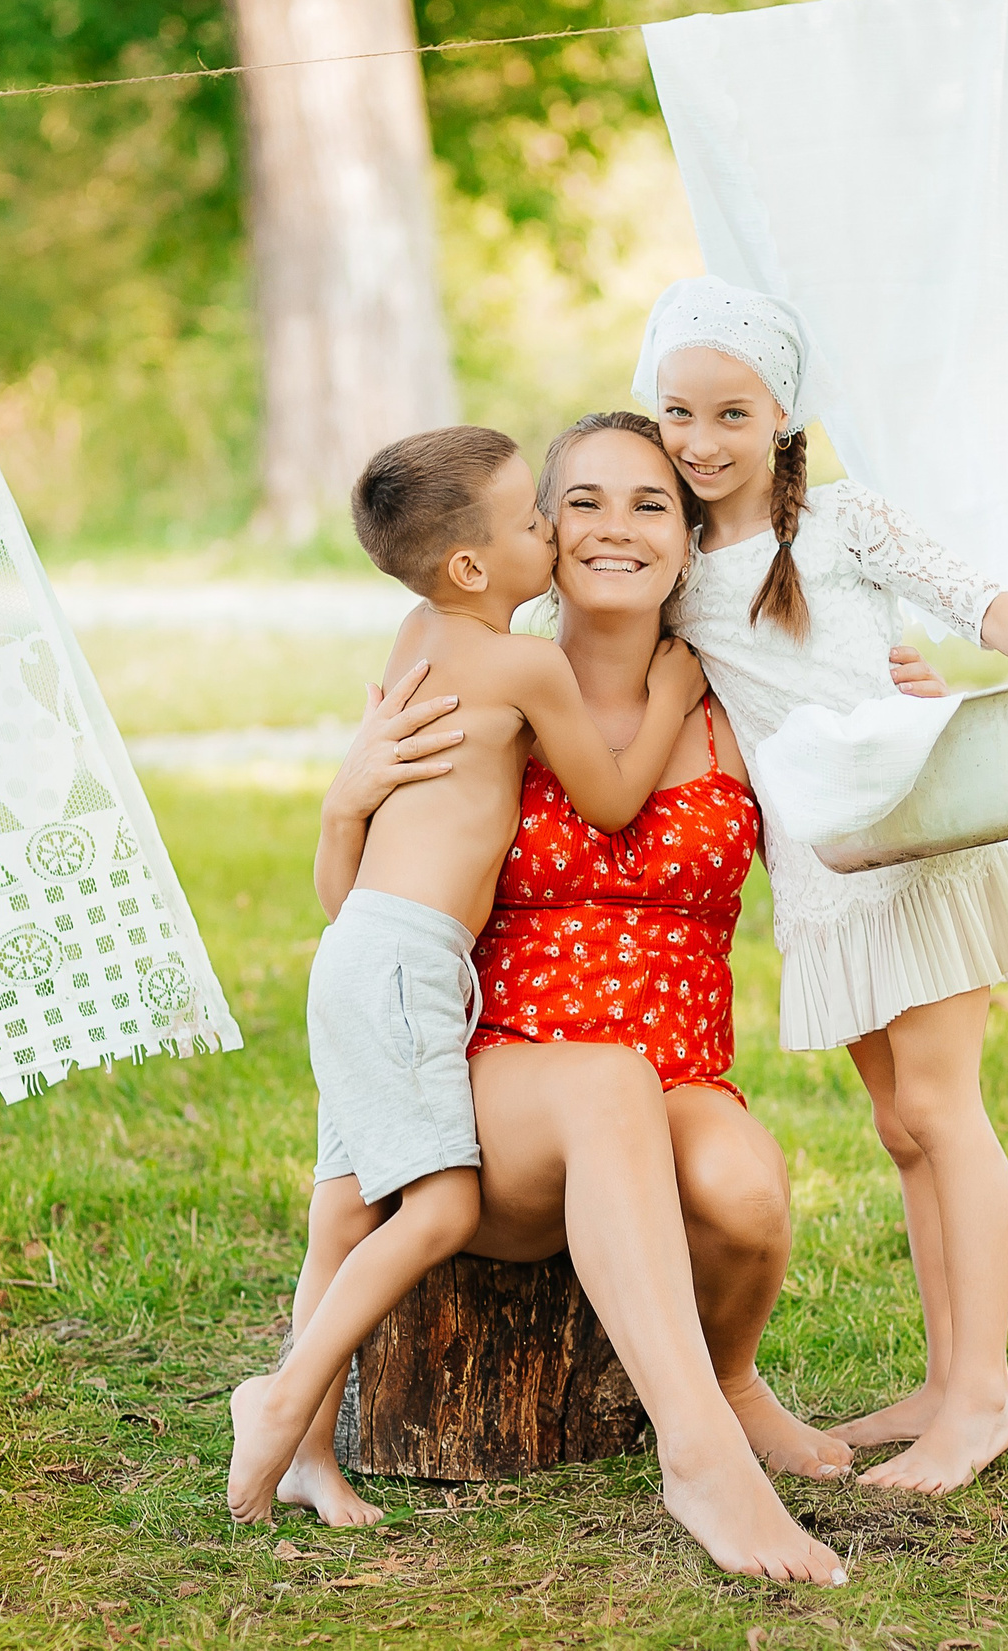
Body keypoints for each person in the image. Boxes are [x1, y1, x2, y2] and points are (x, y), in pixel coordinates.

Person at [277, 413, 943, 1583]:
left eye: (650, 504)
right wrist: (345, 799)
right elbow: (362, 907)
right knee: (601, 1082)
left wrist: (904, 710)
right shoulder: (471, 674)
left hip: (673, 1069)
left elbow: (884, 812)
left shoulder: (735, 705)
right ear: (535, 532)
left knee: (743, 1191)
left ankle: (731, 1387)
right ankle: (700, 1466)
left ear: (690, 541)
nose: (612, 528)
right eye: (577, 501)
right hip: (497, 1071)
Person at [634, 275, 1008, 1496]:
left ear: (781, 421)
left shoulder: (843, 524)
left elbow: (976, 596)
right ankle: (941, 1375)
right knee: (900, 1127)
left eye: (733, 415)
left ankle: (982, 1398)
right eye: (679, 413)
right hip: (823, 870)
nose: (702, 443)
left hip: (916, 833)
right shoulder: (671, 559)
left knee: (944, 1108)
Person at [225, 425, 706, 1525]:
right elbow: (613, 798)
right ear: (476, 568)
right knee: (438, 1209)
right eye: (536, 519)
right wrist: (671, 696)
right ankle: (282, 1394)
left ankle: (305, 1456)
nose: (554, 530)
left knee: (343, 1213)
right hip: (404, 964)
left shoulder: (415, 632)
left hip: (362, 953)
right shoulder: (528, 662)